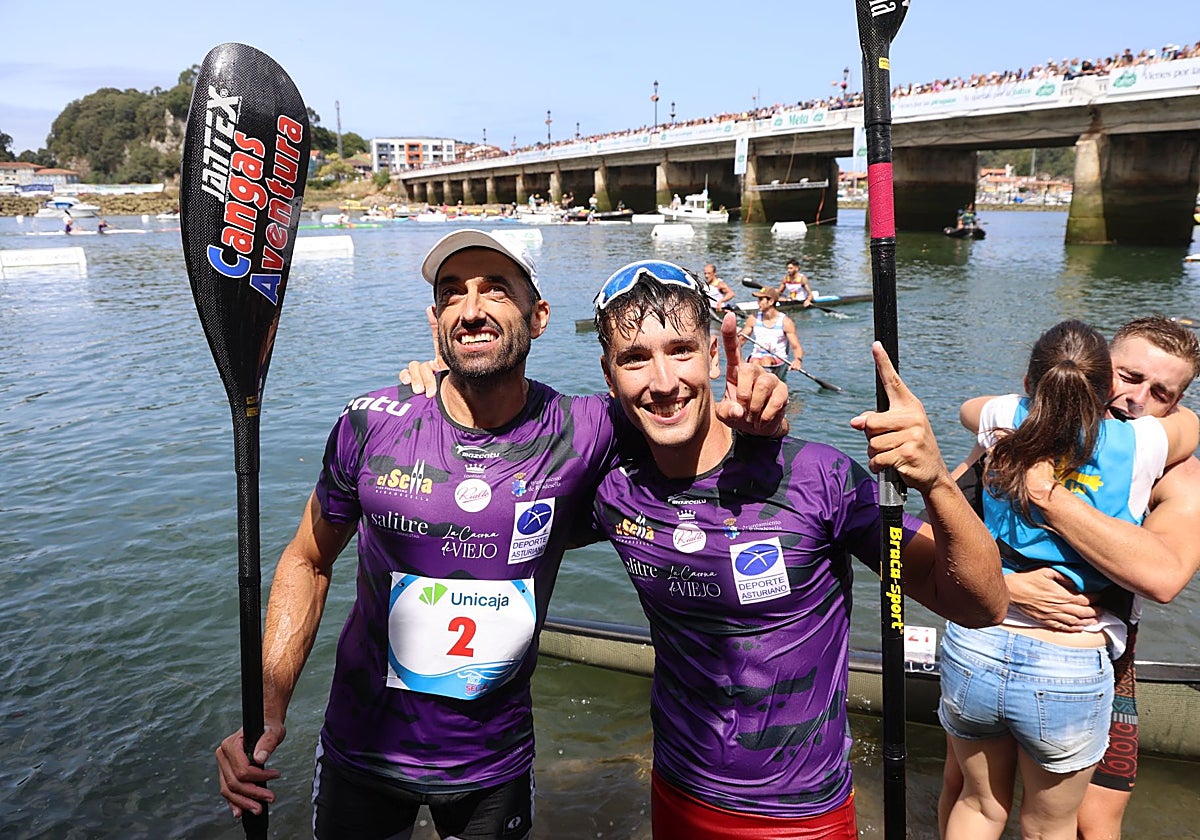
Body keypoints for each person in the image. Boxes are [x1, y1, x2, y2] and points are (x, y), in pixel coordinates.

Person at [214, 232, 791, 838]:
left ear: (538, 316)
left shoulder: (589, 427)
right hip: (364, 752)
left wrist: (765, 415)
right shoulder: (369, 424)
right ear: (436, 322)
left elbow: (684, 420)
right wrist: (269, 703)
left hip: (494, 765)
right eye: (453, 294)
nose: (472, 309)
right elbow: (308, 560)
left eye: (496, 289)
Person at [587, 260, 1008, 838]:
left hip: (801, 812)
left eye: (680, 350)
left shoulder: (818, 477)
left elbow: (982, 605)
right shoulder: (614, 492)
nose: (662, 382)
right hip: (678, 790)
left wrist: (936, 480)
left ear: (714, 355)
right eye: (635, 359)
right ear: (609, 378)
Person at [937, 315, 1200, 840]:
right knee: (1033, 817)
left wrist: (1045, 495)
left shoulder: (1013, 427)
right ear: (1102, 373)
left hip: (1010, 651)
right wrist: (1005, 583)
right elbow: (933, 534)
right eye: (1128, 378)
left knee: (1063, 817)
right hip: (1070, 656)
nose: (1137, 399)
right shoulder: (1145, 445)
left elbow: (1166, 578)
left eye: (1162, 392)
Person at [738, 286, 804, 377]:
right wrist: (732, 335)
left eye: (761, 299)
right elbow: (740, 341)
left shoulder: (786, 322)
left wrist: (798, 360)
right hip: (756, 356)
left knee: (766, 360)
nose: (758, 302)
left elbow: (796, 347)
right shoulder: (753, 319)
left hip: (777, 357)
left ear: (771, 301)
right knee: (755, 361)